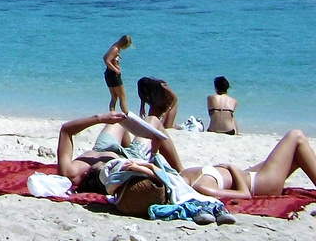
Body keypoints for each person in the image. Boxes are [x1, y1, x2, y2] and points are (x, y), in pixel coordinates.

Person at [56, 111, 185, 194]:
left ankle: (127, 141)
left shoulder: (70, 171)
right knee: (153, 120)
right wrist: (154, 151)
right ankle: (180, 171)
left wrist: (100, 118)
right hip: (130, 156)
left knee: (119, 117)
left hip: (103, 147)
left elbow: (66, 131)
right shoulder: (116, 172)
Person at [182, 130, 316, 199]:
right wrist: (232, 168)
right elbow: (245, 195)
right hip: (259, 185)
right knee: (296, 136)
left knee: (297, 155)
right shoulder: (201, 186)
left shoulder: (182, 174)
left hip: (250, 174)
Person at [103, 35, 131, 113]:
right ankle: (126, 115)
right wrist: (116, 69)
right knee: (122, 97)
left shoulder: (114, 47)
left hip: (109, 74)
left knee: (114, 97)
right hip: (113, 74)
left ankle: (112, 114)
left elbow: (105, 57)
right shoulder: (115, 49)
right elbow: (107, 60)